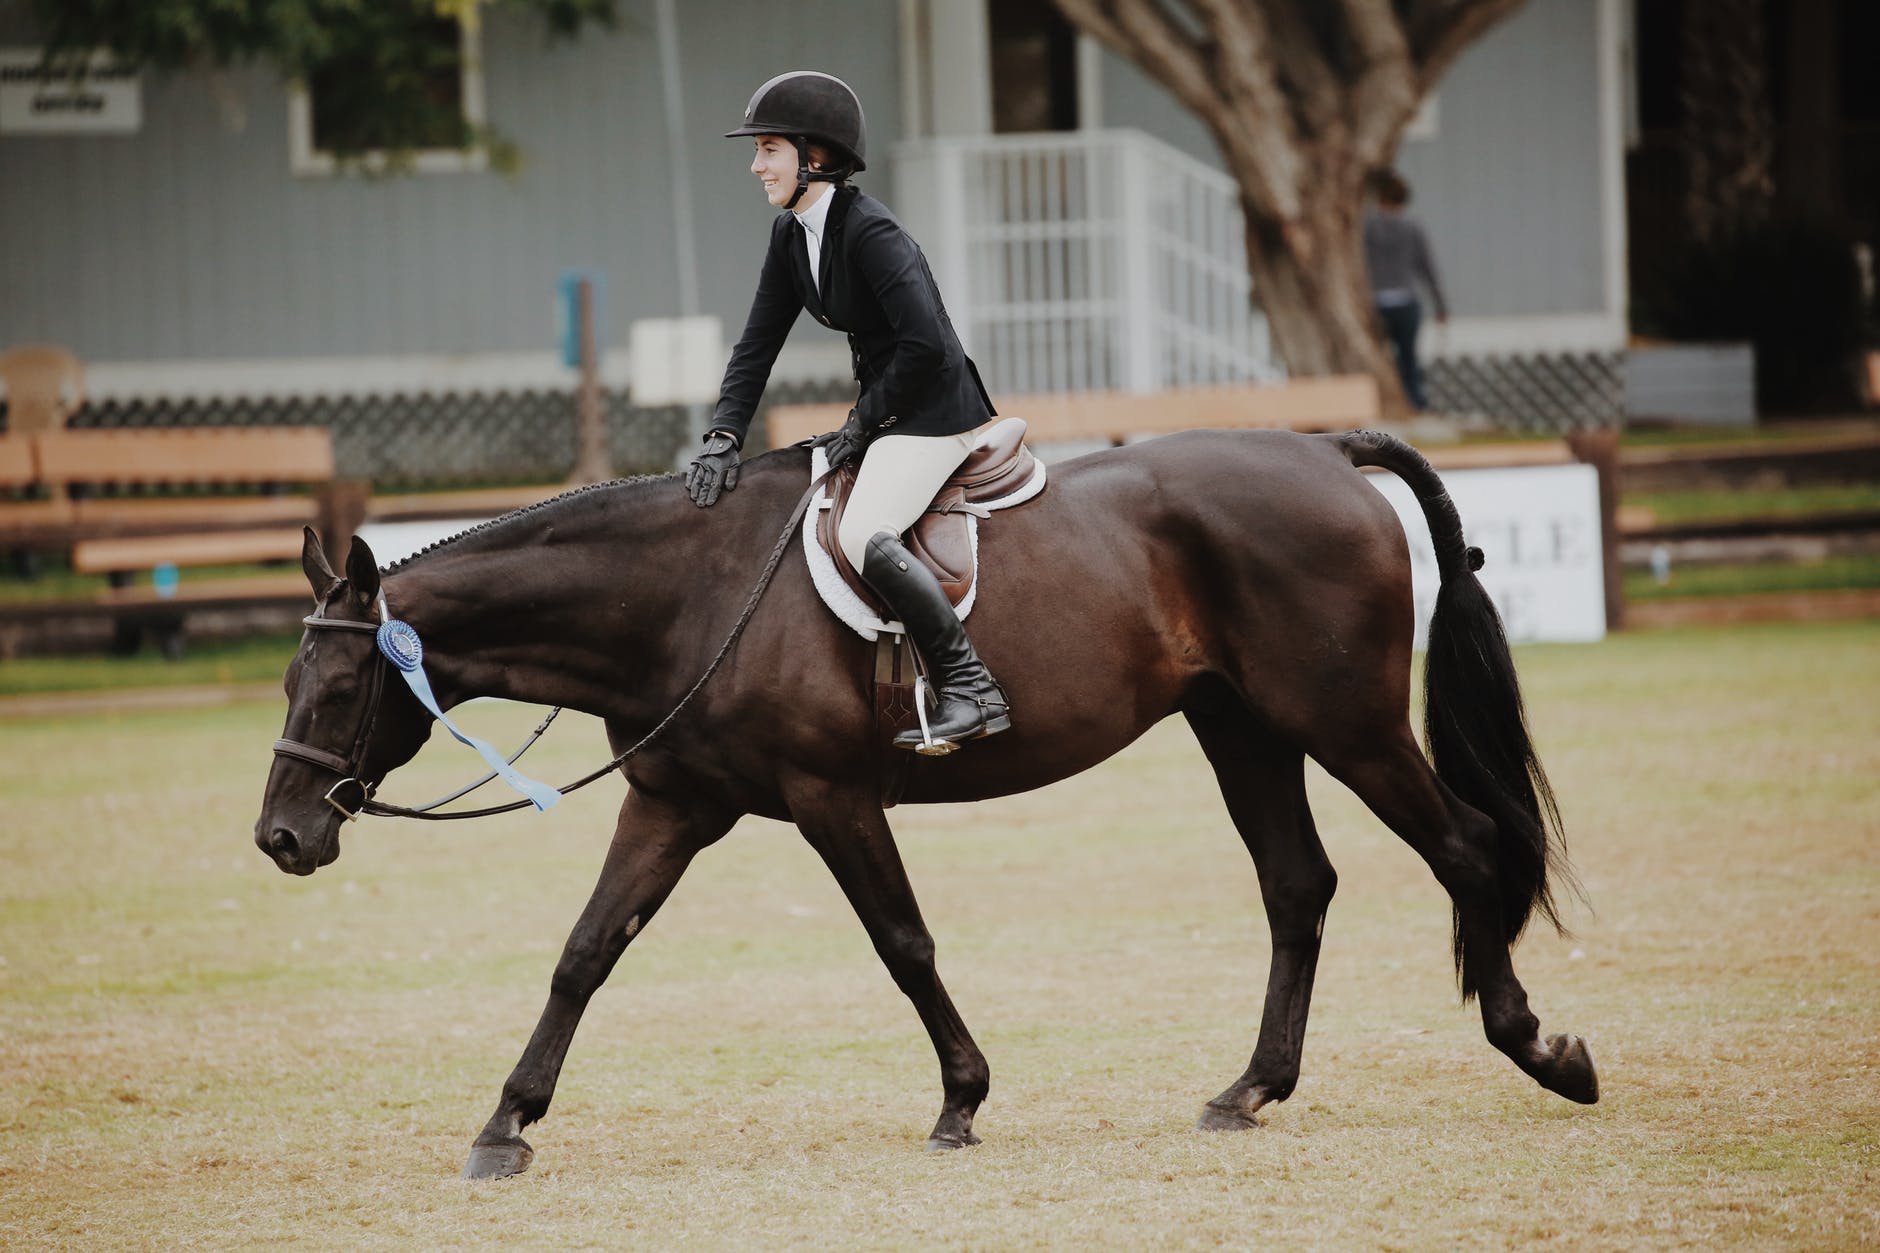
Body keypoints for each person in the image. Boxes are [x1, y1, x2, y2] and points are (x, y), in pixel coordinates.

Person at [683, 70, 1010, 754]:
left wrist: (863, 421)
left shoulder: (872, 231)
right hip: (889, 414)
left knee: (863, 532)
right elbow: (756, 345)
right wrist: (723, 434)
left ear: (817, 157)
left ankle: (970, 686)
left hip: (935, 413)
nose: (756, 166)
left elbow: (926, 345)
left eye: (768, 149)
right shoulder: (791, 235)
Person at [1363, 170, 1448, 412]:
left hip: (1377, 302)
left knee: (1379, 356)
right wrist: (1440, 306)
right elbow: (1427, 269)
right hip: (1406, 301)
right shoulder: (1412, 228)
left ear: (1380, 197)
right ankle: (1414, 402)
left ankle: (1379, 401)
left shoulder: (1368, 228)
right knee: (1408, 357)